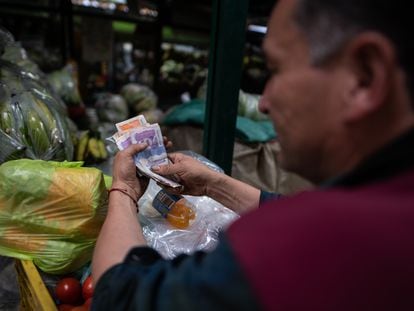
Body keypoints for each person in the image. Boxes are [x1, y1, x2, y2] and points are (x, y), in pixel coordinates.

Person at [92, 0, 414, 309]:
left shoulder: (306, 242)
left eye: (276, 70)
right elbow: (285, 206)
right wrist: (212, 185)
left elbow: (120, 297)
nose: (263, 103)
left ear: (364, 77)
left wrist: (124, 190)